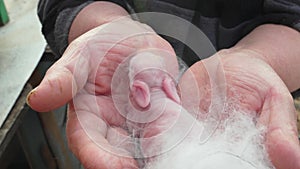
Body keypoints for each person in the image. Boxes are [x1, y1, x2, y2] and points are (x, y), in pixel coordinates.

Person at [28, 1, 300, 169]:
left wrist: (260, 57)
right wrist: (104, 25)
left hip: (241, 106)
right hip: (119, 129)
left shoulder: (149, 103)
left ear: (140, 92)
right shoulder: (154, 103)